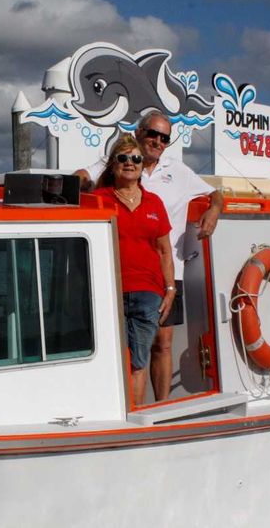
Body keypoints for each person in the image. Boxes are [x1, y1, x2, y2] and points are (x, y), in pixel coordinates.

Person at [76, 111, 224, 401]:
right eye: (152, 134)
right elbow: (83, 176)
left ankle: (161, 406)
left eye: (164, 138)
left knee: (163, 344)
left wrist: (214, 209)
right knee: (128, 349)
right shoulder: (121, 161)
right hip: (126, 276)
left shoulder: (177, 170)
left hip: (169, 273)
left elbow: (215, 192)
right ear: (139, 131)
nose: (157, 141)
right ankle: (131, 408)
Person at [93, 135, 175, 406]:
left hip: (147, 293)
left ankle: (135, 419)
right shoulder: (97, 199)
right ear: (113, 165)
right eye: (123, 158)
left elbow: (164, 251)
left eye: (136, 158)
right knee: (116, 361)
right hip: (109, 293)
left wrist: (170, 289)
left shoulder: (155, 203)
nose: (130, 163)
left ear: (142, 166)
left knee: (137, 361)